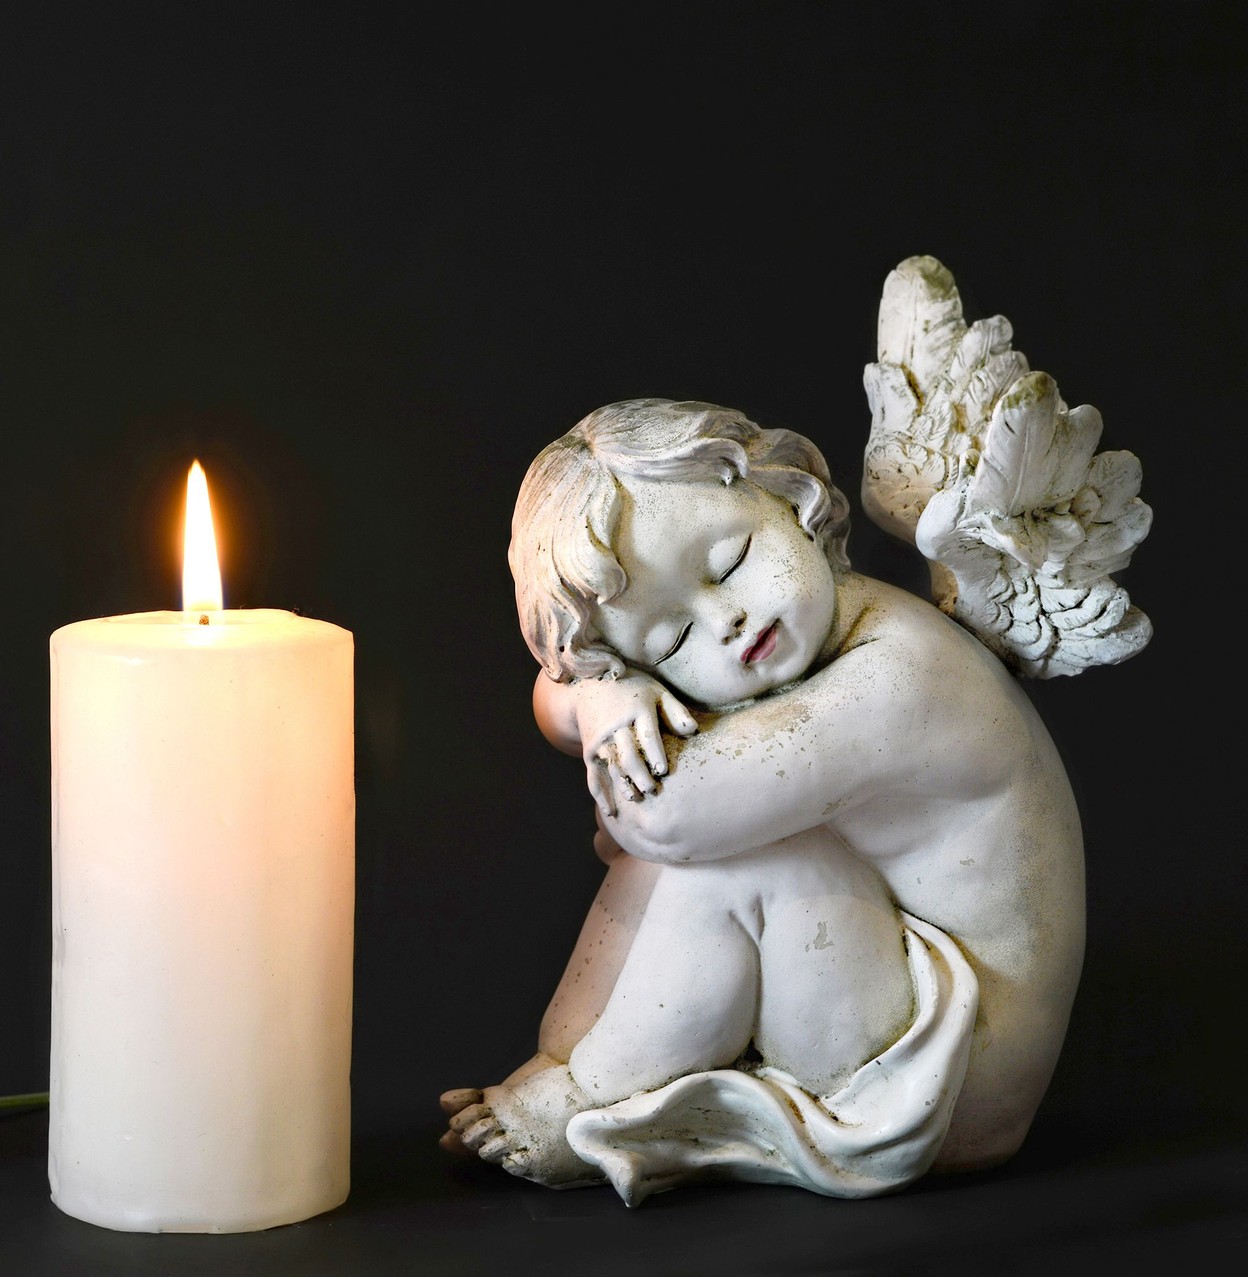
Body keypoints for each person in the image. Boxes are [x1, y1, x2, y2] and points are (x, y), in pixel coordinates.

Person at [440, 398, 1084, 1200]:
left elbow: (665, 815)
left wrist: (614, 702)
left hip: (953, 1079)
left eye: (732, 558)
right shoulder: (819, 633)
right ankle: (571, 1057)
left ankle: (587, 1098)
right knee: (688, 794)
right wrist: (601, 697)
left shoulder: (901, 676)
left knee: (744, 855)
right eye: (671, 641)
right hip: (871, 983)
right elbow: (559, 693)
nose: (725, 619)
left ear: (790, 498)